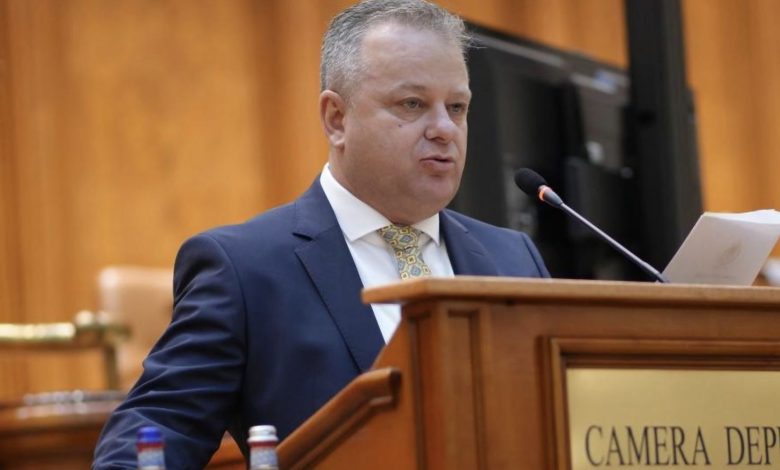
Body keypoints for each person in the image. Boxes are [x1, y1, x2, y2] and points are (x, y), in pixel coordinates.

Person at [92, 0, 549, 468]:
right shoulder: (246, 270)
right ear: (336, 118)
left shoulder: (513, 258)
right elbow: (152, 434)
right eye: (412, 104)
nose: (444, 129)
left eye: (457, 107)